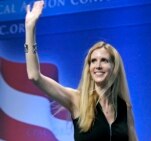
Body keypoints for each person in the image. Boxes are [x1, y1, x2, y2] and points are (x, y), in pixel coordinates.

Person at [24, 1, 138, 141]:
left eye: (104, 60)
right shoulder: (77, 100)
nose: (97, 65)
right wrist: (30, 29)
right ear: (88, 68)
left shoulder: (124, 109)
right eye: (93, 61)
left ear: (114, 67)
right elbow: (34, 76)